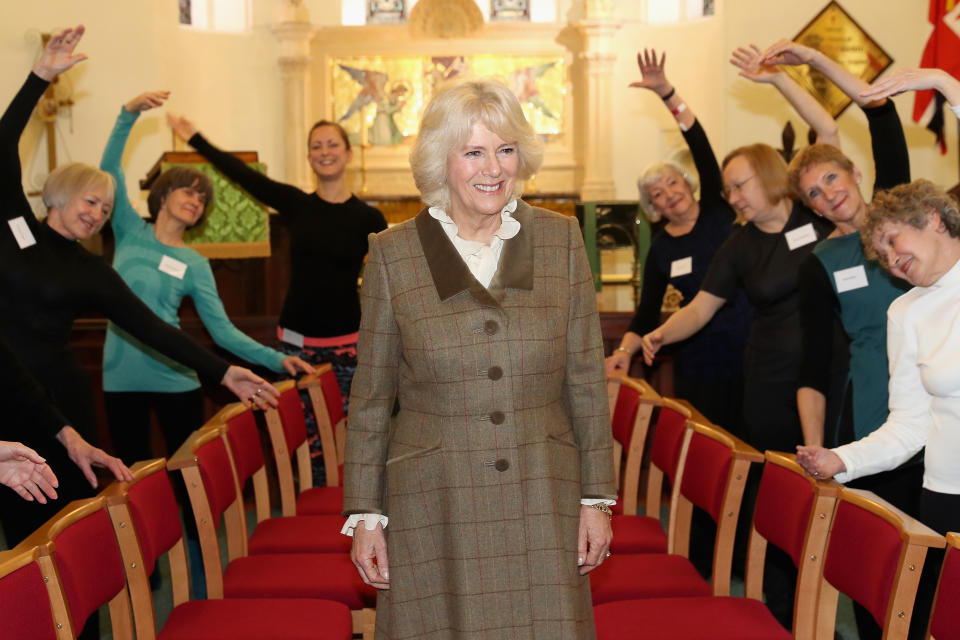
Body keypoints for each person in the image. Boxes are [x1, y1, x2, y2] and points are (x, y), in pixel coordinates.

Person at [342, 78, 615, 639]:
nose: (493, 168)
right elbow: (370, 398)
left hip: (544, 489)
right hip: (433, 497)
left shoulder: (561, 242)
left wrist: (596, 499)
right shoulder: (394, 255)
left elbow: (587, 380)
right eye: (473, 152)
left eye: (506, 149)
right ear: (443, 162)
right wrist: (366, 516)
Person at [0, 25, 278, 553]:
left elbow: (151, 327)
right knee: (16, 539)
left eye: (104, 209)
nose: (97, 214)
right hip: (5, 395)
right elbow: (1, 146)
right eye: (89, 201)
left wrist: (221, 369)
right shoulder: (12, 225)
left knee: (67, 534)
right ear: (58, 196)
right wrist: (38, 77)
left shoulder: (91, 270)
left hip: (60, 406)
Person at [763, 38, 919, 640]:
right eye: (816, 194)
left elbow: (880, 112)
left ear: (855, 174)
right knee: (880, 564)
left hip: (937, 405)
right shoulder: (819, 262)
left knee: (935, 556)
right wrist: (814, 455)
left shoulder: (900, 218)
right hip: (870, 416)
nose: (830, 195)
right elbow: (814, 364)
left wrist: (815, 61)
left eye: (834, 179)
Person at [167, 109, 387, 482]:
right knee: (302, 442)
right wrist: (195, 139)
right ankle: (305, 516)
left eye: (332, 144)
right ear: (309, 158)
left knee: (353, 445)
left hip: (349, 347)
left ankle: (352, 524)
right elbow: (244, 177)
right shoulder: (297, 205)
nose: (324, 151)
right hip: (296, 348)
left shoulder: (369, 219)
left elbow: (388, 283)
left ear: (348, 154)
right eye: (316, 146)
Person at [100, 90, 313, 467]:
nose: (196, 202)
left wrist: (278, 361)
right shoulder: (129, 230)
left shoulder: (194, 263)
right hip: (120, 377)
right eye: (189, 191)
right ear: (163, 195)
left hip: (176, 376)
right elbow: (109, 171)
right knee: (129, 485)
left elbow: (223, 333)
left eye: (202, 200)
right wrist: (127, 114)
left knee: (188, 480)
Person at [797, 179, 960, 639]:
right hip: (948, 496)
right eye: (881, 256)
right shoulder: (905, 312)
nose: (891, 260)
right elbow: (909, 426)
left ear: (931, 218)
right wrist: (841, 459)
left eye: (892, 241)